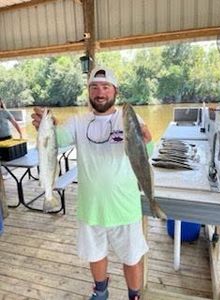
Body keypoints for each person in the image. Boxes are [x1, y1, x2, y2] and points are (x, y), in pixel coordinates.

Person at [31, 66, 152, 300]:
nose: (100, 92)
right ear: (88, 92)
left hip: (125, 206)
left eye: (105, 87)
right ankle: (101, 290)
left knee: (132, 257)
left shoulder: (128, 117)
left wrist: (147, 141)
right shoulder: (78, 121)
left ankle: (134, 295)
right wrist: (48, 126)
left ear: (115, 91)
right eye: (94, 87)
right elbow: (59, 138)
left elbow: (146, 154)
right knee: (95, 254)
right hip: (90, 206)